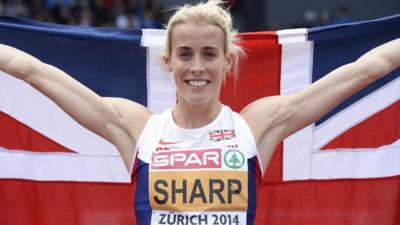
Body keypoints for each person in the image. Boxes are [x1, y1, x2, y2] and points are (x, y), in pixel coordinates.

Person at [0, 0, 399, 224]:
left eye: (209, 54)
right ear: (168, 63)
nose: (197, 68)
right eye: (185, 55)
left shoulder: (256, 126)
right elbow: (31, 71)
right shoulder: (137, 128)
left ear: (227, 63)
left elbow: (368, 70)